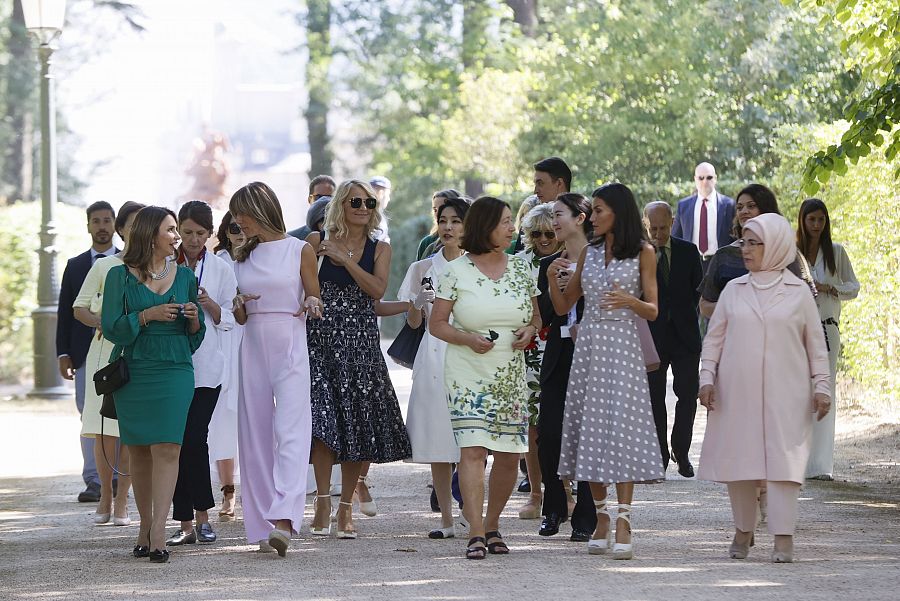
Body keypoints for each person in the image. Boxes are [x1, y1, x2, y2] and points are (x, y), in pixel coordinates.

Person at [698, 213, 831, 563]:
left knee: (784, 466)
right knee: (741, 464)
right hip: (736, 393)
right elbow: (714, 340)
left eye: (755, 242)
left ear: (776, 246)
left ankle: (783, 537)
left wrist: (823, 387)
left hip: (787, 395)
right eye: (744, 241)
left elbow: (817, 346)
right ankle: (743, 529)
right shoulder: (733, 290)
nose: (746, 249)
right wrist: (707, 378)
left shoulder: (799, 292)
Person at [548, 183, 662, 560]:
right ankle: (600, 518)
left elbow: (653, 309)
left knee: (622, 427)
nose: (592, 218)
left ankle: (625, 519)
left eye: (599, 211)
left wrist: (631, 301)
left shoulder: (644, 252)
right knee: (590, 427)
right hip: (591, 346)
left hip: (625, 345)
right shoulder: (590, 254)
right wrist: (552, 280)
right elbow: (565, 305)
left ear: (618, 212)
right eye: (592, 211)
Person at [430, 196, 541, 560]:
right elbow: (437, 325)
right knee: (474, 450)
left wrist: (530, 330)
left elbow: (536, 319)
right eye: (506, 222)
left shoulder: (524, 268)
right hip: (467, 372)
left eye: (512, 221)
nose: (513, 228)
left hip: (511, 372)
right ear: (486, 226)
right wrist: (467, 338)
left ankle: (493, 525)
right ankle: (475, 532)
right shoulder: (455, 271)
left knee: (510, 455)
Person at [306, 179, 411, 540]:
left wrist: (346, 259)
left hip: (361, 342)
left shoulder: (380, 247)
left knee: (357, 424)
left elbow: (377, 290)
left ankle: (345, 508)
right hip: (320, 338)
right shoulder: (316, 242)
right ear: (341, 204)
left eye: (368, 202)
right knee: (323, 422)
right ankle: (321, 501)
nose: (363, 208)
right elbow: (303, 287)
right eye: (355, 201)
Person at [101, 206, 205, 563]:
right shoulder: (119, 276)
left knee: (168, 447)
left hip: (176, 368)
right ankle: (144, 525)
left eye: (176, 229)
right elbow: (112, 327)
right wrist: (147, 315)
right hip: (136, 369)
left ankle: (160, 528)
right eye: (171, 230)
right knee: (140, 449)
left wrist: (192, 319)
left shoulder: (185, 276)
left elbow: (197, 335)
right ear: (149, 235)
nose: (177, 237)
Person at [230, 182, 323, 557]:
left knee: (292, 430)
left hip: (289, 340)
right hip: (252, 342)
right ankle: (262, 525)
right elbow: (237, 316)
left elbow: (313, 293)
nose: (237, 223)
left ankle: (285, 517)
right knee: (254, 436)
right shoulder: (240, 255)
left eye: (241, 214)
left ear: (260, 209)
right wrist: (237, 303)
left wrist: (313, 302)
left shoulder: (300, 249)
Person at [164, 201, 237, 547]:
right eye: (187, 232)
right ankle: (184, 522)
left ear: (210, 234)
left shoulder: (221, 269)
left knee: (195, 439)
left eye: (200, 233)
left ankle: (203, 517)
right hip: (172, 366)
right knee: (175, 444)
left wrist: (207, 303)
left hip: (208, 367)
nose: (192, 240)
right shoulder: (164, 263)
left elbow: (232, 318)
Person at [398, 195, 471, 538]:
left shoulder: (476, 266)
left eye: (455, 221)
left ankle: (472, 512)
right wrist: (418, 303)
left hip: (468, 352)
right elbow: (413, 323)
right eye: (443, 221)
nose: (448, 227)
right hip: (432, 353)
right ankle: (445, 519)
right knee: (438, 440)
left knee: (471, 438)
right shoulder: (422, 268)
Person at [72, 202, 144, 524]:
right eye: (131, 224)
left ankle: (123, 500)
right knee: (104, 429)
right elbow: (79, 308)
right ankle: (104, 494)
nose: (137, 230)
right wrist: (103, 321)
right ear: (122, 229)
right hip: (104, 354)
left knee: (129, 429)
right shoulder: (104, 266)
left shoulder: (158, 267)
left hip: (140, 354)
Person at [536, 193, 597, 541]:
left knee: (589, 436)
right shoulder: (551, 263)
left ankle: (586, 518)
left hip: (592, 355)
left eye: (559, 215)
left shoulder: (601, 259)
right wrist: (550, 282)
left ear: (581, 217)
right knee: (549, 435)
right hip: (559, 356)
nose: (554, 223)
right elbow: (549, 314)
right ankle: (555, 506)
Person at [57, 201, 117, 504]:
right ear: (88, 225)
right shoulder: (76, 264)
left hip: (119, 351)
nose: (102, 226)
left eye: (107, 220)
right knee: (89, 416)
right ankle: (93, 479)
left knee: (118, 414)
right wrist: (62, 353)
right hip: (83, 354)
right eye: (97, 221)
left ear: (115, 224)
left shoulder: (125, 262)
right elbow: (65, 312)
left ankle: (116, 476)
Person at [797, 199, 859, 480]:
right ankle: (796, 460)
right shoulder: (792, 253)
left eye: (821, 220)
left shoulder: (836, 252)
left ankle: (820, 465)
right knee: (797, 392)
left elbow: (853, 287)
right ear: (802, 221)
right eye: (811, 220)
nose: (816, 225)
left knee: (824, 391)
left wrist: (829, 288)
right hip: (795, 330)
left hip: (827, 327)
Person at [643, 201, 703, 477]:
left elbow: (697, 292)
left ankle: (681, 449)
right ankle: (660, 458)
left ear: (672, 222)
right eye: (653, 228)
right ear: (646, 224)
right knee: (654, 398)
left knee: (688, 394)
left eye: (663, 228)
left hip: (685, 336)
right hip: (652, 337)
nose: (658, 233)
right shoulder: (638, 254)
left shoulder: (689, 252)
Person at [699, 184, 815, 318]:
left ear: (766, 209)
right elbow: (704, 306)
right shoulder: (724, 256)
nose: (744, 211)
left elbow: (808, 299)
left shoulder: (787, 253)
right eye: (739, 207)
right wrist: (736, 307)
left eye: (751, 206)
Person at [514, 202, 562, 520]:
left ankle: (566, 491)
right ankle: (535, 493)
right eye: (536, 233)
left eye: (549, 232)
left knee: (559, 424)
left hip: (560, 349)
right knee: (530, 426)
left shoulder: (570, 261)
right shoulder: (516, 264)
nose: (543, 239)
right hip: (526, 352)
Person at [208, 212, 244, 520]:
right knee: (222, 418)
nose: (240, 233)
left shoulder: (262, 257)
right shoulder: (218, 262)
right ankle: (227, 490)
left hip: (256, 341)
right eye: (234, 228)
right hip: (224, 343)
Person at [671, 162, 735, 272]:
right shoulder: (684, 206)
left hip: (720, 264)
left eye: (709, 177)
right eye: (701, 178)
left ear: (715, 179)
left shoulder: (728, 205)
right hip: (691, 264)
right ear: (695, 179)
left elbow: (735, 238)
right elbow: (675, 239)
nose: (705, 181)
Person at [417, 189, 463, 260]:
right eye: (435, 210)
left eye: (442, 208)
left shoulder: (471, 241)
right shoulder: (427, 242)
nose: (438, 213)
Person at [288, 175, 336, 240]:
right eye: (319, 197)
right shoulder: (292, 238)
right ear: (310, 200)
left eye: (330, 197)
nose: (324, 201)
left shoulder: (347, 238)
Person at [370, 175, 392, 242]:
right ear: (381, 193)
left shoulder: (379, 215)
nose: (389, 199)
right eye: (388, 195)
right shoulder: (369, 215)